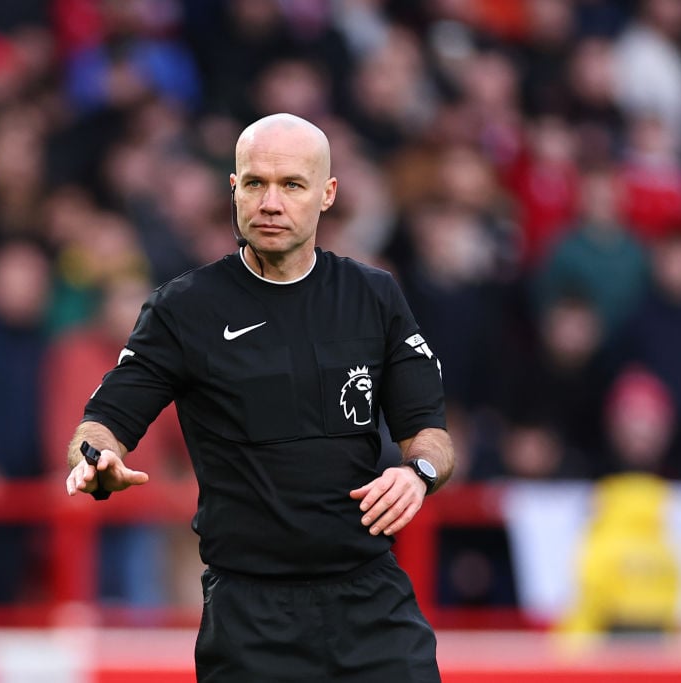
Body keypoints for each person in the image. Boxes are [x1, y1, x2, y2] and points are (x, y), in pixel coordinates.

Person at [64, 113, 454, 682]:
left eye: (291, 185)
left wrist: (416, 472)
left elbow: (433, 435)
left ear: (327, 195)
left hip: (371, 604)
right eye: (255, 184)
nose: (270, 202)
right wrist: (94, 464)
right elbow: (100, 426)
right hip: (249, 617)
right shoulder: (184, 309)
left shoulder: (374, 296)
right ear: (234, 189)